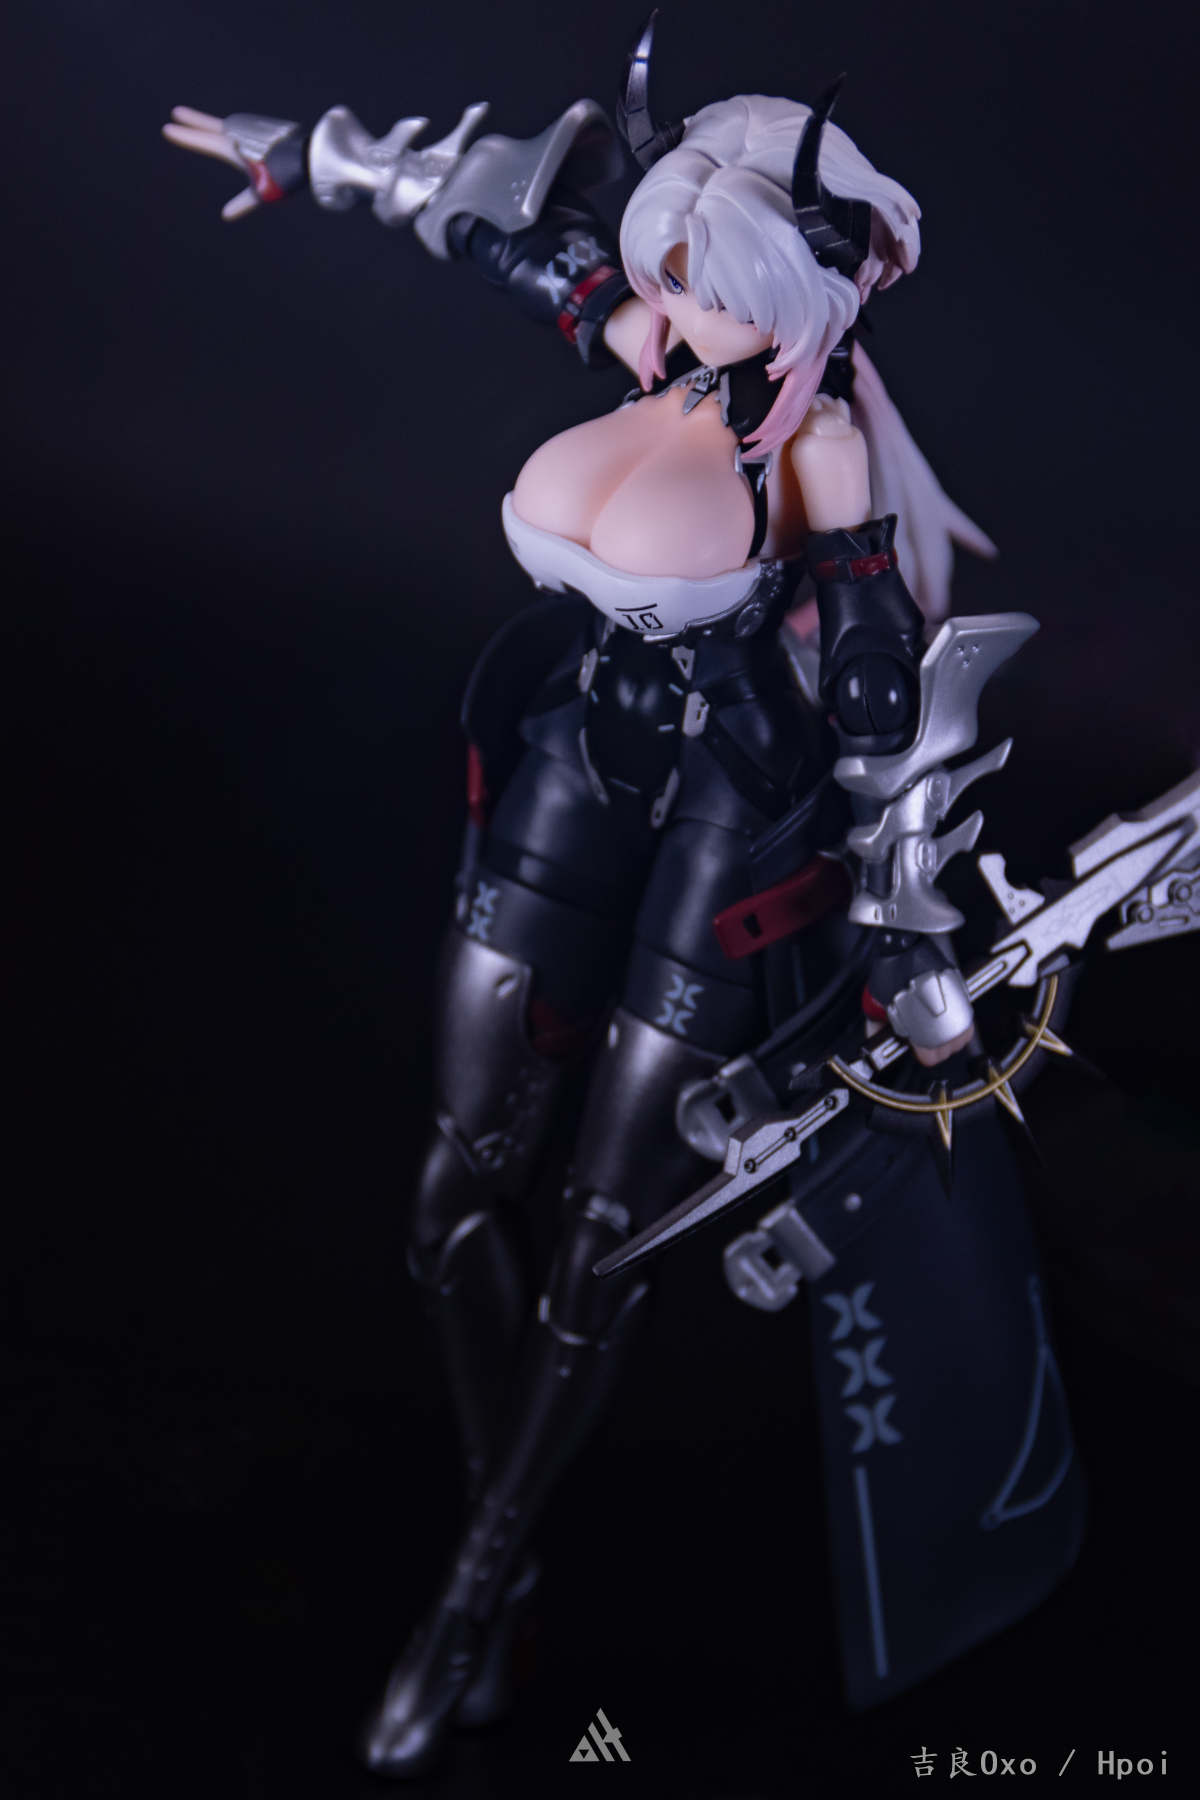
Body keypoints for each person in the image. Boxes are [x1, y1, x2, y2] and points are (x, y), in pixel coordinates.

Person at [164, 32, 1084, 1777]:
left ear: (807, 296)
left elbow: (882, 720)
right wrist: (313, 154)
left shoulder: (820, 454)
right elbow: (476, 215)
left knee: (601, 1249)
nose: (665, 304)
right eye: (667, 267)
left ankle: (475, 1588)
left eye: (704, 283)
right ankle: (496, 1530)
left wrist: (905, 926)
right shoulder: (650, 329)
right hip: (582, 755)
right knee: (451, 1202)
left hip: (739, 810)